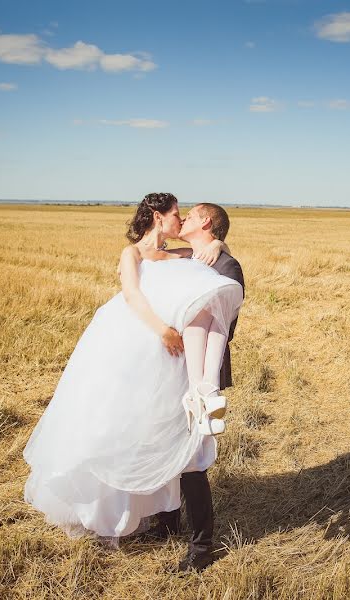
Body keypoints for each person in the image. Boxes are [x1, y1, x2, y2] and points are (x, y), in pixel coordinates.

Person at [22, 193, 244, 551]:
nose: (180, 220)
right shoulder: (133, 254)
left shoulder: (180, 254)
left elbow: (212, 265)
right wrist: (163, 330)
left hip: (171, 360)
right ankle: (155, 518)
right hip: (136, 349)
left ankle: (197, 540)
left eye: (186, 216)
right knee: (137, 433)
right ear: (158, 217)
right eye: (176, 214)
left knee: (178, 445)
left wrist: (218, 240)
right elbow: (132, 296)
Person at [141, 203, 245, 573]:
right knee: (166, 444)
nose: (181, 219)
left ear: (206, 222)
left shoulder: (227, 266)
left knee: (192, 461)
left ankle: (202, 547)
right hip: (169, 369)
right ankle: (166, 522)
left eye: (190, 214)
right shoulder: (191, 257)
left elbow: (224, 330)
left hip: (198, 376)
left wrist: (222, 249)